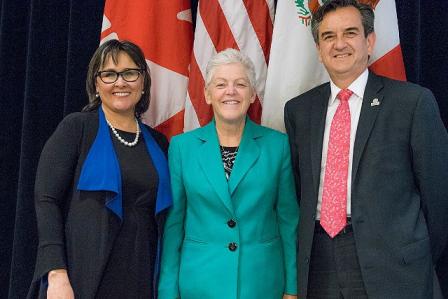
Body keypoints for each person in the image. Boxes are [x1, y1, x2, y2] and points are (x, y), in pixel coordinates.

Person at [284, 0, 448, 298]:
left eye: (350, 33)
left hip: (394, 265)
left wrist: (410, 249)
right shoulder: (299, 111)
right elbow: (299, 189)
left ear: (369, 41)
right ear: (319, 50)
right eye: (328, 36)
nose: (339, 44)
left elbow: (439, 197)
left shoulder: (412, 103)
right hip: (319, 262)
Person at [27, 39, 172, 298]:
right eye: (109, 74)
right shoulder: (77, 128)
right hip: (82, 272)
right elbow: (46, 200)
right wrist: (56, 273)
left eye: (130, 73)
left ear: (142, 82)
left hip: (141, 271)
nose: (120, 82)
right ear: (96, 83)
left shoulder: (159, 142)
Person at [158, 49, 299, 299]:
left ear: (253, 94)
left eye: (240, 84)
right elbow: (174, 226)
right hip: (199, 285)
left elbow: (288, 222)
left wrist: (292, 289)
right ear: (208, 94)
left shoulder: (278, 146)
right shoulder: (182, 148)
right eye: (221, 84)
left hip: (262, 284)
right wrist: (167, 291)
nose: (230, 91)